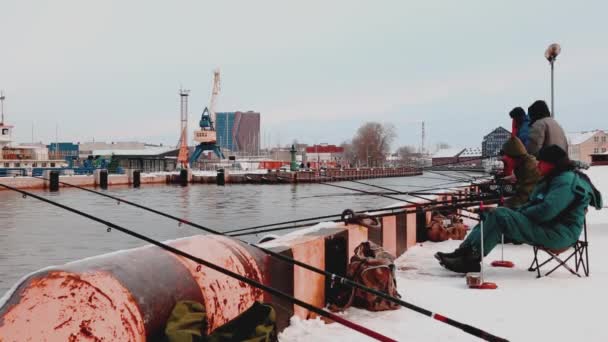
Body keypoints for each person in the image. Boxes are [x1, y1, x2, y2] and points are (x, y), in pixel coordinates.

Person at [435, 145, 602, 273]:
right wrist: (518, 212)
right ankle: (463, 253)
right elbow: (536, 205)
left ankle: (470, 259)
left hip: (559, 235)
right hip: (549, 228)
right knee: (492, 214)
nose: (537, 165)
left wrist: (517, 214)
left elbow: (546, 211)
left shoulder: (565, 182)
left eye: (540, 162)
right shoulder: (556, 178)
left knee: (500, 214)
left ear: (551, 164)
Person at [500, 136, 541, 209]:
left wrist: (502, 207)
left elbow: (523, 196)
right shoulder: (523, 163)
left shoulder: (528, 168)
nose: (505, 163)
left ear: (513, 157)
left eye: (506, 161)